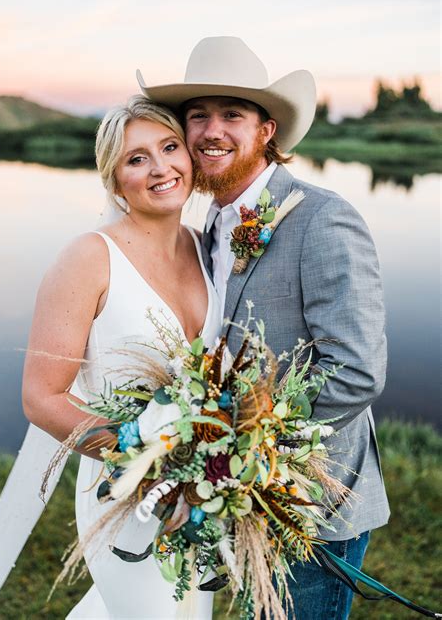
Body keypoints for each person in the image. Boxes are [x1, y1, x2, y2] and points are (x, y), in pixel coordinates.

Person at [137, 36, 390, 620]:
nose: (211, 131)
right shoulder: (212, 224)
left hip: (314, 505)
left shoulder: (323, 218)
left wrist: (238, 451)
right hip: (243, 495)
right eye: (197, 115)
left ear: (267, 130)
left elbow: (354, 372)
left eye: (232, 114)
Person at [21, 96, 220, 619]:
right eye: (137, 158)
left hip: (202, 494)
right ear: (113, 180)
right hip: (123, 495)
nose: (161, 168)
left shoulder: (208, 250)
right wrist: (144, 461)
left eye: (170, 147)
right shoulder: (88, 257)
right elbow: (42, 398)